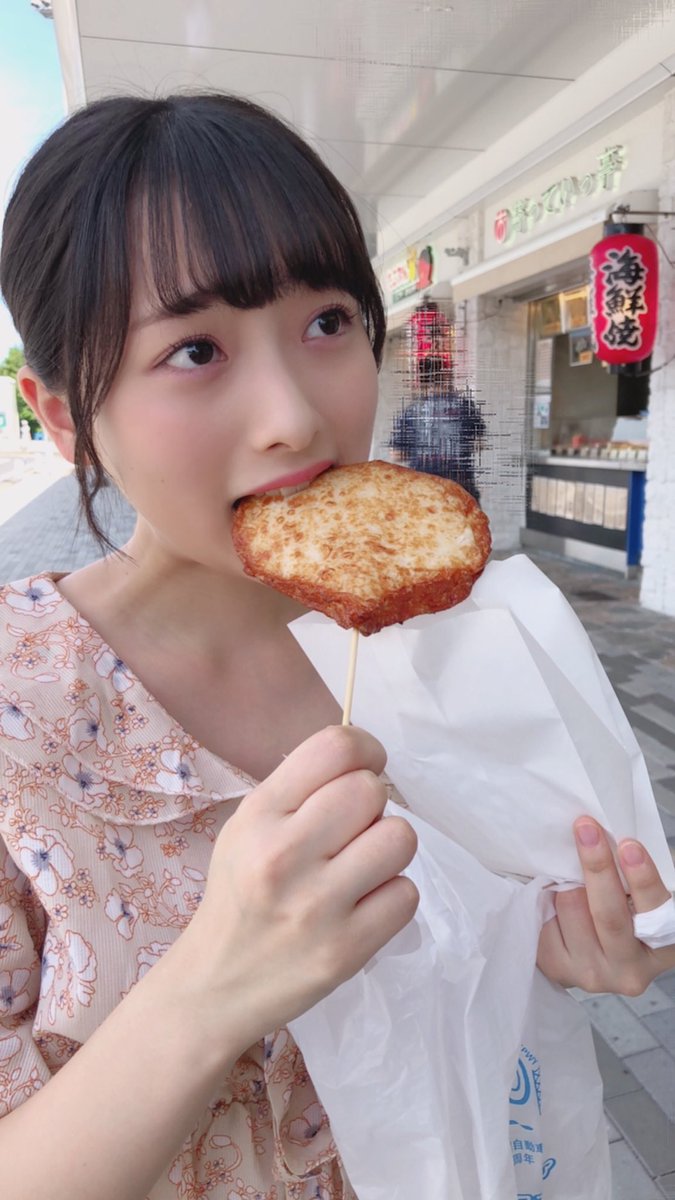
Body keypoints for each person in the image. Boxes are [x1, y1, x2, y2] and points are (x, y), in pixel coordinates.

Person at [0, 92, 673, 1200]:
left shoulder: (446, 641)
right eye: (195, 349)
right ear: (68, 417)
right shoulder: (22, 715)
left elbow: (493, 938)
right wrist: (214, 986)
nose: (294, 417)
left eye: (326, 323)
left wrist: (551, 944)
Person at [389, 352, 485, 502]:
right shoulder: (466, 406)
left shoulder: (411, 411)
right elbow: (479, 445)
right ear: (446, 376)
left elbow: (397, 454)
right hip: (460, 490)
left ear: (421, 380)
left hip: (423, 492)